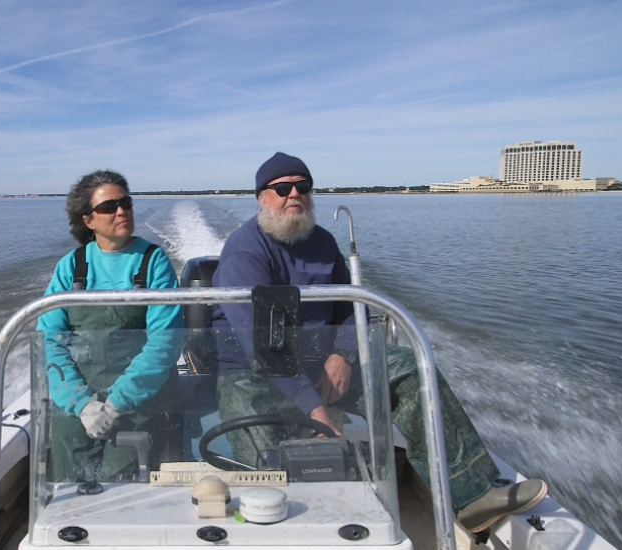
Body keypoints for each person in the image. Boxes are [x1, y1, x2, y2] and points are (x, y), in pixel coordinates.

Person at [210, 152, 547, 533]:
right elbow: (263, 345)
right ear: (261, 198)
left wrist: (344, 355)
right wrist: (315, 409)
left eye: (302, 187)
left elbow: (353, 309)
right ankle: (270, 532)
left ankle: (470, 495)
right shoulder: (246, 251)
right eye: (282, 188)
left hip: (321, 364)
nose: (294, 196)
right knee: (264, 465)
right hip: (252, 374)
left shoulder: (323, 244)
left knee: (410, 369)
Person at [37, 170, 183, 482]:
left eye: (125, 202)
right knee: (68, 487)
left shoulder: (153, 262)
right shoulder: (70, 267)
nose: (121, 211)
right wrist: (81, 404)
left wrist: (116, 404)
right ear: (88, 220)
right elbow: (49, 342)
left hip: (141, 401)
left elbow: (164, 344)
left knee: (123, 487)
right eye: (108, 207)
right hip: (80, 401)